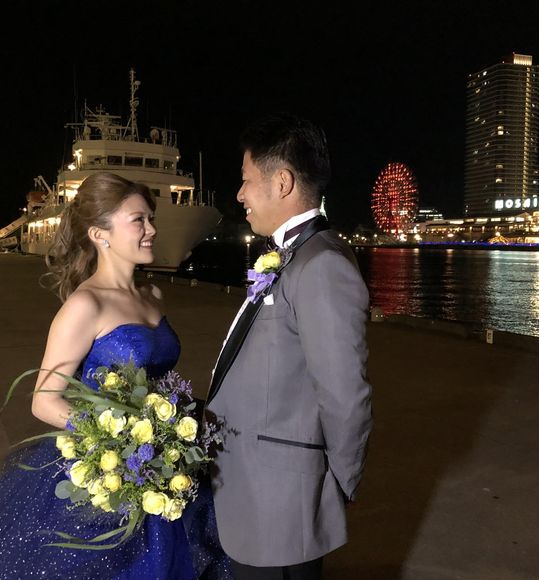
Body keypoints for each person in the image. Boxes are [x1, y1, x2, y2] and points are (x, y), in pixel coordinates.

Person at [0, 172, 233, 579]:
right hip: (113, 475)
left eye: (151, 219)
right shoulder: (85, 306)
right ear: (99, 234)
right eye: (138, 220)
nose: (152, 229)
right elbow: (44, 399)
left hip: (163, 466)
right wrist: (118, 443)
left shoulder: (153, 295)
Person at [205, 113, 373, 579]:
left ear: (282, 183)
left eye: (246, 180)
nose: (239, 194)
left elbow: (346, 395)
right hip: (254, 491)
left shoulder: (322, 265)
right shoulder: (293, 255)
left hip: (281, 505)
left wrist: (335, 486)